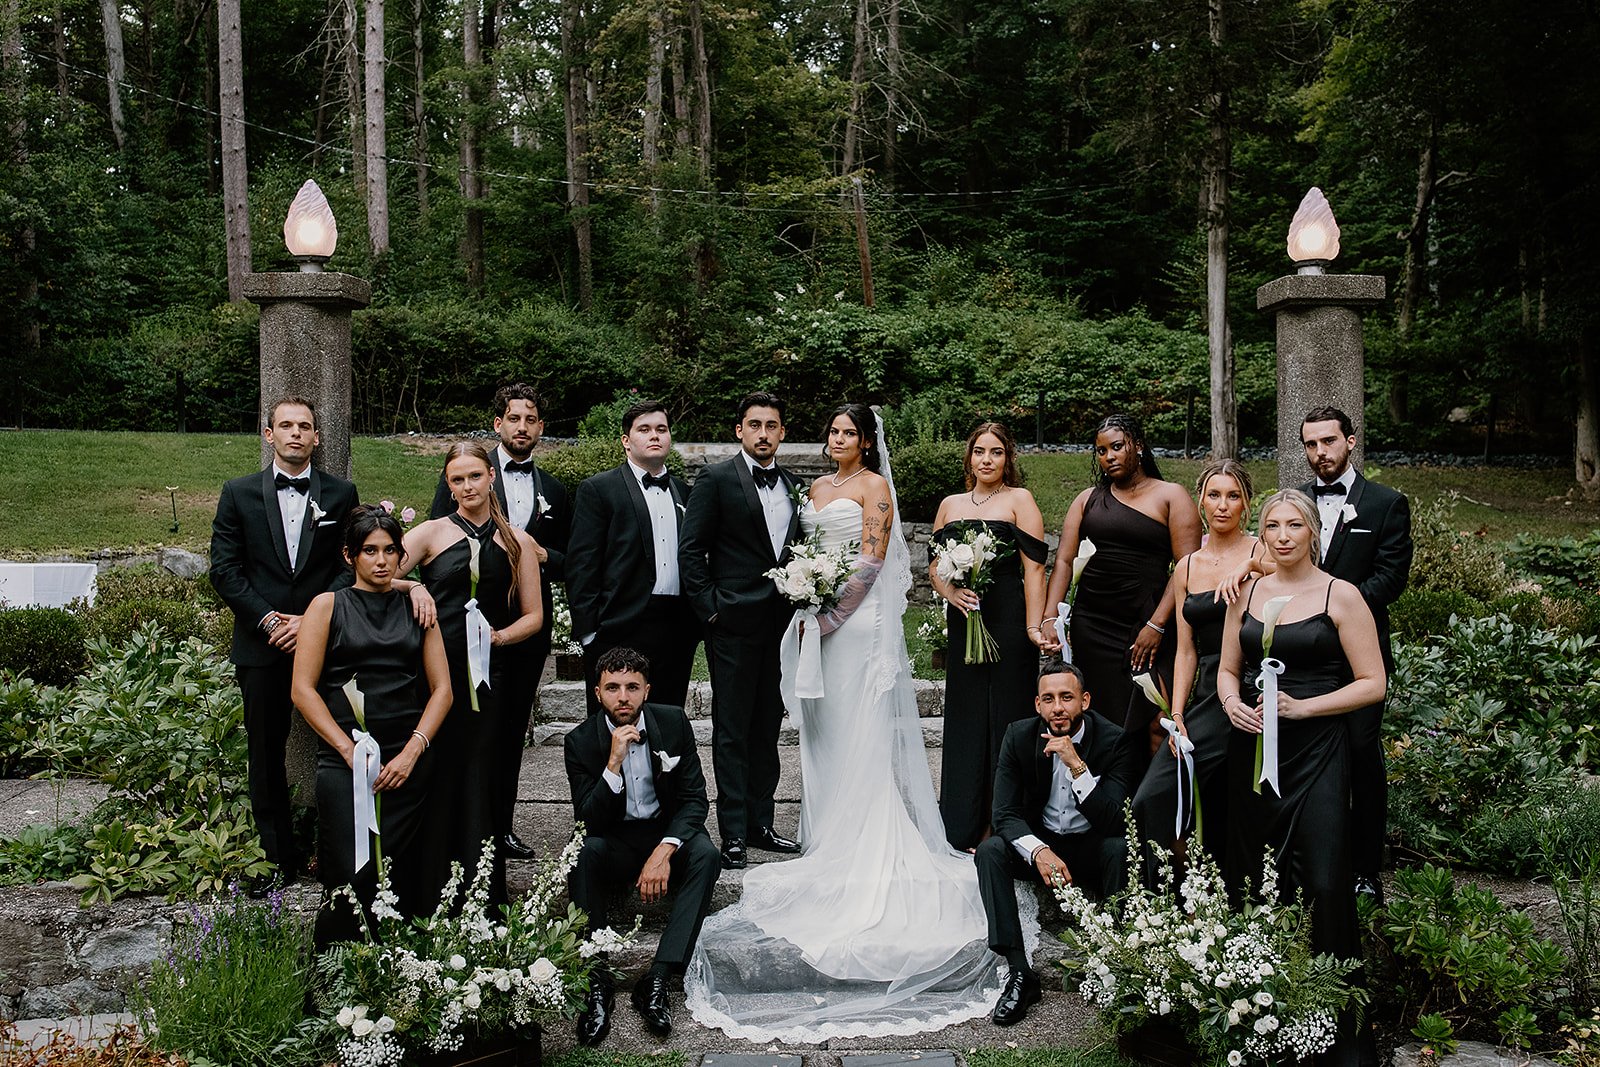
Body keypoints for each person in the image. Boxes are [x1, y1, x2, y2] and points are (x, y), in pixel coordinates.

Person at [685, 404, 1038, 1042]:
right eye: (834, 432)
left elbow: (872, 561)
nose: (840, 439)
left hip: (855, 623)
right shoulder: (814, 488)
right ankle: (825, 834)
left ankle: (866, 837)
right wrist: (806, 601)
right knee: (821, 726)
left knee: (858, 727)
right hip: (814, 618)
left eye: (851, 433)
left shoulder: (875, 488)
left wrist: (829, 616)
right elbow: (802, 550)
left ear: (868, 442)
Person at [1217, 490, 1385, 1067]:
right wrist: (1231, 703)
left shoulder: (1342, 595)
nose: (1283, 535)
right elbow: (1228, 668)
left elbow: (1373, 683)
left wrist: (1303, 708)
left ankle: (1334, 1030)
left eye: (1294, 525)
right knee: (1254, 876)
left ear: (1313, 532)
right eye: (1272, 525)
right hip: (1252, 750)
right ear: (1261, 533)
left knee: (1325, 878)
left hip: (1318, 749)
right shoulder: (1246, 592)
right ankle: (1262, 1020)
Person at [210, 396, 362, 895]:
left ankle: (338, 857)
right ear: (269, 433)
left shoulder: (341, 494)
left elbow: (350, 565)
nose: (296, 433)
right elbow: (225, 570)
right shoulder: (238, 493)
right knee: (264, 752)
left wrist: (311, 620)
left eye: (305, 426)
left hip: (326, 643)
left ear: (317, 437)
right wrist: (269, 620)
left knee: (339, 745)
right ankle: (277, 859)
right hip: (262, 645)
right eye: (286, 425)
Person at [291, 506, 452, 946]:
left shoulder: (418, 608)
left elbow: (443, 690)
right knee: (349, 872)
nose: (382, 561)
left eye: (390, 551)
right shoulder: (327, 606)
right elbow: (303, 690)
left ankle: (402, 970)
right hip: (345, 761)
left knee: (405, 871)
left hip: (407, 760)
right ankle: (339, 974)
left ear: (402, 555)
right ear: (350, 556)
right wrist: (348, 750)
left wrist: (412, 752)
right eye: (369, 551)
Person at [429, 383, 570, 861]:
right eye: (514, 418)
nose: (522, 427)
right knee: (463, 731)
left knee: (509, 732)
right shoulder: (464, 469)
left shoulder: (554, 490)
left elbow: (572, 558)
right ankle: (460, 827)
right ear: (498, 424)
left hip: (521, 631)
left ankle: (500, 827)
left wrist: (540, 554)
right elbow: (438, 548)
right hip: (460, 633)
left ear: (540, 427)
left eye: (530, 419)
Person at [401, 442, 543, 906]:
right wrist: (412, 589)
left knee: (483, 772)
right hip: (435, 672)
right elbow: (373, 574)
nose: (467, 486)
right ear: (448, 485)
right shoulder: (430, 533)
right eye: (457, 479)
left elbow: (534, 616)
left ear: (491, 477)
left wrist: (498, 638)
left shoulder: (517, 542)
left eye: (475, 476)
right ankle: (429, 888)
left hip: (490, 673)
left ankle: (482, 890)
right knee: (438, 770)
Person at [564, 646, 721, 1046]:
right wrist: (612, 763)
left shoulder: (673, 722)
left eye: (632, 687)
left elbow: (694, 800)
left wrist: (664, 851)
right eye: (613, 688)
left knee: (706, 854)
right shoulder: (579, 742)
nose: (623, 697)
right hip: (614, 839)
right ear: (597, 693)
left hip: (662, 834)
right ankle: (596, 980)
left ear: (646, 690)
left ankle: (657, 978)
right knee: (580, 852)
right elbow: (588, 821)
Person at [678, 392, 804, 869]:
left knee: (767, 727)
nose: (763, 434)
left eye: (772, 426)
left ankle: (760, 824)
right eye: (755, 425)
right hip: (731, 624)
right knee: (731, 730)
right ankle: (732, 832)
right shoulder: (715, 479)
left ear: (782, 432)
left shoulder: (793, 484)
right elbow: (691, 550)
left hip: (780, 627)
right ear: (740, 430)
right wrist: (710, 611)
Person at [1039, 414, 1201, 775]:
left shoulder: (1171, 496)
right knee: (1103, 720)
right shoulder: (1087, 500)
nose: (1109, 456)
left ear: (1138, 446)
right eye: (1101, 451)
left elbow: (1188, 569)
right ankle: (1110, 799)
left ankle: (1153, 804)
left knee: (1156, 719)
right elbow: (1063, 560)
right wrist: (1050, 617)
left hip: (1148, 623)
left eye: (1117, 446)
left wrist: (1157, 625)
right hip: (1093, 624)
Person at [976, 660, 1134, 1026]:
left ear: (1084, 701)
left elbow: (1115, 820)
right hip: (1043, 845)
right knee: (990, 851)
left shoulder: (1114, 741)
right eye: (1048, 699)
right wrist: (1039, 851)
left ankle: (1116, 963)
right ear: (1038, 704)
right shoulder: (1018, 736)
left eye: (1066, 697)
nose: (1057, 707)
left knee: (1120, 848)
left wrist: (1077, 765)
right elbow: (1004, 814)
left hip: (1091, 847)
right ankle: (1019, 972)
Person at [1298, 406, 1412, 899]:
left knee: (1362, 759)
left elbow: (1390, 579)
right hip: (1302, 656)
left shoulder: (1386, 504)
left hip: (1359, 657)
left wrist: (1332, 610)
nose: (1320, 452)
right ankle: (1306, 864)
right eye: (1311, 444)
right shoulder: (1296, 501)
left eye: (1328, 441)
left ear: (1350, 441)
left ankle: (1366, 870)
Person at [1132, 459, 1261, 876]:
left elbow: (1297, 571)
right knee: (1152, 796)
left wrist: (1249, 567)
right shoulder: (1187, 565)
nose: (1223, 505)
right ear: (1201, 501)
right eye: (1214, 495)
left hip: (1248, 687)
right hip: (1205, 690)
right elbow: (1186, 649)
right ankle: (1158, 895)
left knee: (1233, 802)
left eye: (1233, 496)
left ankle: (1230, 892)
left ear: (1246, 503)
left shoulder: (1260, 550)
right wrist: (1177, 714)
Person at [929, 421, 1049, 851]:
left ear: (1007, 458)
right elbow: (934, 567)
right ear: (969, 457)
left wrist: (1033, 627)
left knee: (1007, 718)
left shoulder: (1020, 501)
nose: (986, 459)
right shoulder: (950, 504)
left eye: (996, 452)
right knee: (966, 720)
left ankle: (1004, 827)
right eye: (979, 451)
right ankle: (961, 824)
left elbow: (1034, 568)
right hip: (966, 621)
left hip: (1007, 621)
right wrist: (951, 592)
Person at [566, 400, 699, 715]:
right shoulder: (599, 489)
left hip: (675, 629)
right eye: (644, 429)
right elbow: (581, 565)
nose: (654, 435)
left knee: (667, 721)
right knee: (615, 723)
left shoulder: (685, 492)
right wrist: (589, 634)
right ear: (626, 441)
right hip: (619, 626)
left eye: (661, 429)